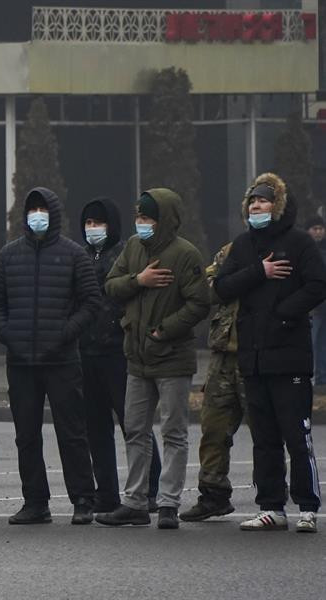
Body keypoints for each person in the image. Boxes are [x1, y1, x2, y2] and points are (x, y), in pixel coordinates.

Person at [214, 173, 326, 533]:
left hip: (289, 355)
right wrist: (258, 272)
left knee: (298, 435)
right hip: (253, 357)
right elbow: (222, 286)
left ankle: (307, 507)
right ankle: (271, 507)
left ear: (276, 206)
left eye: (263, 201)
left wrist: (283, 315)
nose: (256, 207)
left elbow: (317, 285)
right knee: (263, 439)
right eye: (252, 202)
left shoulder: (298, 243)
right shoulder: (243, 246)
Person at [98, 189, 209, 530]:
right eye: (139, 217)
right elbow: (111, 285)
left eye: (147, 218)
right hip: (137, 357)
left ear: (164, 220)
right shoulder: (133, 247)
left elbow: (199, 303)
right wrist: (139, 280)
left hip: (172, 357)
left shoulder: (185, 254)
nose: (141, 223)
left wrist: (166, 329)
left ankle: (168, 504)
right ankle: (134, 501)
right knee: (135, 430)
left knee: (173, 432)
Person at [0, 187, 102, 526]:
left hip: (62, 360)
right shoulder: (9, 255)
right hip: (22, 362)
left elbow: (91, 303)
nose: (37, 214)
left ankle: (83, 499)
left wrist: (63, 335)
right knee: (26, 434)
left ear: (53, 214)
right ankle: (35, 501)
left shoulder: (73, 255)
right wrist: (9, 336)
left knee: (72, 432)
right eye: (32, 209)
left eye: (43, 209)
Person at [78, 197, 163, 513]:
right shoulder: (81, 255)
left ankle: (151, 488)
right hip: (87, 352)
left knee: (134, 424)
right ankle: (107, 493)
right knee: (96, 427)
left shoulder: (126, 254)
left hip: (119, 351)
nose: (93, 228)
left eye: (98, 222)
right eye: (88, 223)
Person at [179, 242, 246, 522]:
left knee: (271, 431)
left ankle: (273, 498)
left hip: (260, 350)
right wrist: (241, 279)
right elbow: (205, 289)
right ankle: (213, 494)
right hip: (223, 353)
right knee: (213, 424)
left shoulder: (283, 248)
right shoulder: (230, 251)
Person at [305, 216, 326, 384]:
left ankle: (321, 376)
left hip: (323, 305)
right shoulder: (305, 251)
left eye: (321, 228)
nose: (318, 232)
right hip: (313, 306)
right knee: (311, 342)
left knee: (322, 343)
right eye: (315, 228)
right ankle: (311, 376)